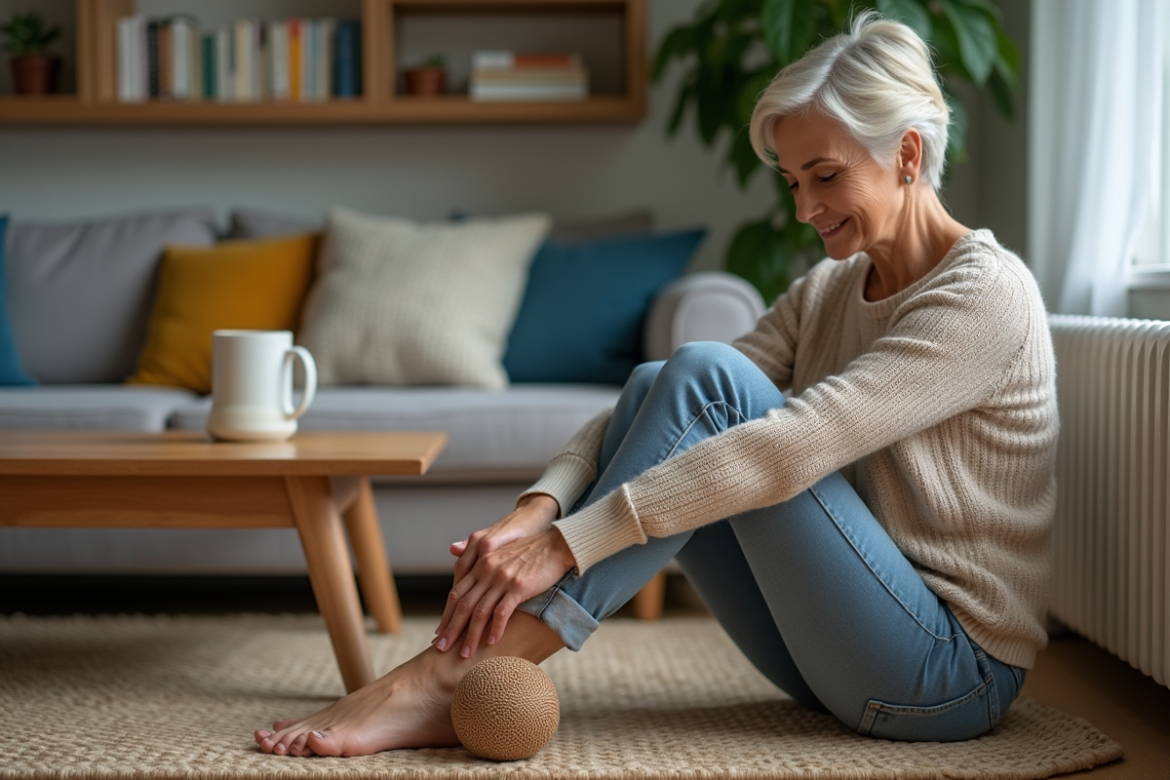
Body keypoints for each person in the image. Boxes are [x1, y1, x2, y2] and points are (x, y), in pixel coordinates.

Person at [254, 11, 1058, 757]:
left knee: (709, 379)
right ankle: (454, 670)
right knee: (662, 379)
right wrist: (537, 508)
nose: (805, 208)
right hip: (837, 655)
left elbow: (795, 446)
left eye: (825, 176)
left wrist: (568, 544)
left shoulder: (984, 294)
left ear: (907, 155)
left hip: (948, 677)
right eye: (792, 182)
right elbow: (673, 404)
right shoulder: (832, 292)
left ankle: (448, 674)